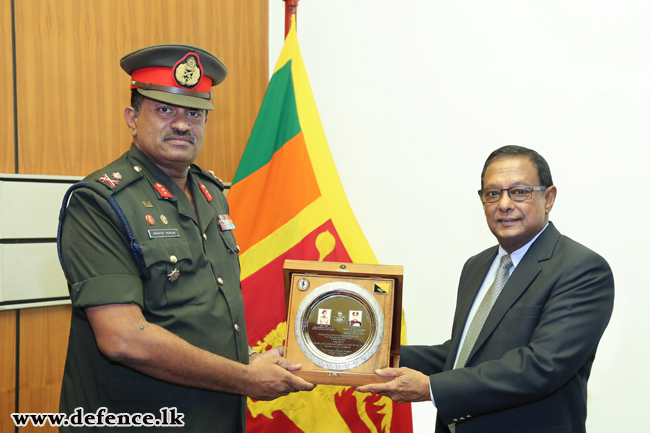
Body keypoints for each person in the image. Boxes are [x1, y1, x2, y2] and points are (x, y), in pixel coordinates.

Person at [57, 44, 314, 432]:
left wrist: (249, 360)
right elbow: (123, 338)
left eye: (194, 113)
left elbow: (198, 313)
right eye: (164, 110)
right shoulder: (100, 203)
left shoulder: (212, 194)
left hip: (214, 415)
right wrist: (245, 379)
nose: (181, 124)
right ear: (132, 118)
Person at [358, 145, 614, 433]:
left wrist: (432, 388)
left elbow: (542, 366)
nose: (504, 204)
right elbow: (464, 356)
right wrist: (364, 353)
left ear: (549, 197)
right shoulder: (477, 266)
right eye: (493, 193)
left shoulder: (581, 268)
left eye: (519, 192)